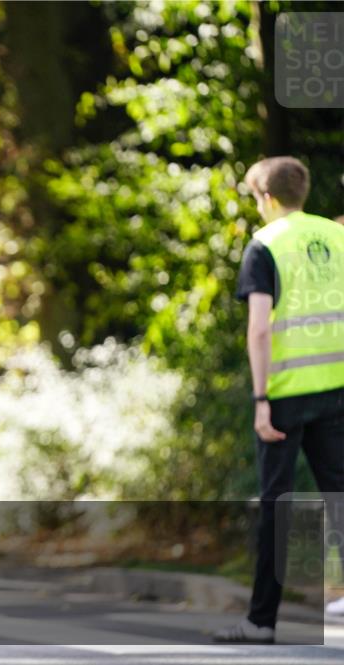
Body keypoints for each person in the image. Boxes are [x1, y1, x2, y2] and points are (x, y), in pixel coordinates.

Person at [213, 157, 344, 643]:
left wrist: (261, 397)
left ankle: (261, 621)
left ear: (266, 198)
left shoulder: (264, 245)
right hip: (336, 388)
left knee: (276, 504)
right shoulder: (336, 237)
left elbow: (260, 328)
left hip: (285, 396)